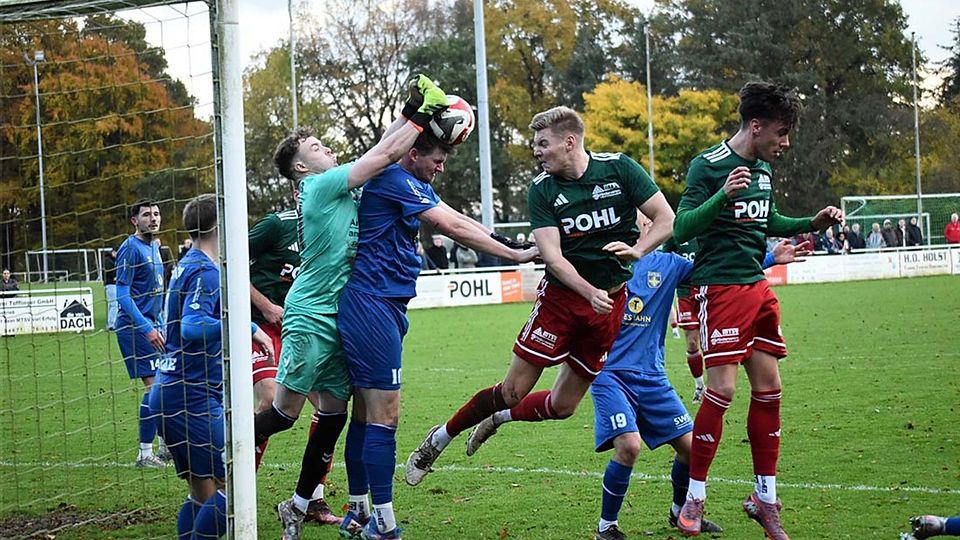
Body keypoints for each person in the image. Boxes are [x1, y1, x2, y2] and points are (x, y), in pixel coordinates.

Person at [404, 106, 675, 495]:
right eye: (535, 144)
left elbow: (665, 219)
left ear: (570, 142)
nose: (537, 151)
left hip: (609, 307)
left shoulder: (619, 169)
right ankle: (440, 438)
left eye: (542, 143)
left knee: (564, 408)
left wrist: (638, 249)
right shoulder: (543, 189)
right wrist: (588, 292)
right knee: (513, 390)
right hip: (562, 303)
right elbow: (553, 257)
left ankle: (499, 419)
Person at [257, 75, 451, 540]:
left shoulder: (336, 183)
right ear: (302, 169)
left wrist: (410, 109)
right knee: (284, 415)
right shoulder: (320, 187)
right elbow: (385, 154)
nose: (328, 149)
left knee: (337, 413)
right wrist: (423, 113)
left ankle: (300, 503)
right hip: (309, 311)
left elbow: (384, 147)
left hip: (340, 313)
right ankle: (219, 445)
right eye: (318, 146)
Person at [337, 127, 539, 540]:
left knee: (364, 413)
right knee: (385, 416)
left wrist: (504, 239)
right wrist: (515, 255)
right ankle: (383, 524)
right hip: (372, 303)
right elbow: (451, 226)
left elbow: (459, 217)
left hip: (383, 303)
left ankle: (358, 513)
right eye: (437, 160)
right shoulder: (396, 179)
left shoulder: (405, 180)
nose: (441, 167)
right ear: (413, 155)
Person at [670, 82, 842, 539]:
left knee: (770, 389)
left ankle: (765, 499)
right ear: (757, 126)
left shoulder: (763, 170)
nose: (784, 143)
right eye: (781, 133)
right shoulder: (707, 166)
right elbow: (680, 229)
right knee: (722, 390)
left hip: (757, 287)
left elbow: (767, 220)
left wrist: (811, 223)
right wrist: (721, 195)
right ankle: (695, 496)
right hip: (720, 288)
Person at [591, 216, 809, 540]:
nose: (639, 225)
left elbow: (713, 274)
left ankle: (680, 511)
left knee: (692, 449)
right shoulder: (606, 265)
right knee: (629, 446)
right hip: (610, 374)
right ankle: (606, 527)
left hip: (652, 377)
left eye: (643, 220)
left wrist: (770, 259)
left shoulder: (668, 264)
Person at [150, 194, 275, 540]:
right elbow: (193, 327)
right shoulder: (205, 271)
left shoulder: (188, 263)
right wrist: (246, 327)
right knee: (235, 487)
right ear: (222, 226)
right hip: (192, 398)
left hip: (170, 393)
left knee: (201, 491)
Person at [115, 199, 169, 468]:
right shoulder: (130, 248)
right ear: (135, 220)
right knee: (155, 387)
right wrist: (147, 328)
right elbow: (122, 294)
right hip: (134, 328)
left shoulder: (155, 248)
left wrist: (161, 324)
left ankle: (164, 446)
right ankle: (145, 453)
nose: (154, 218)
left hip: (154, 326)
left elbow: (157, 294)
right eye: (147, 214)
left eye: (157, 214)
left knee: (166, 385)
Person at [103, 249, 118, 330]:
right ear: (113, 252)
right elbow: (109, 273)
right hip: (110, 284)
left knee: (112, 304)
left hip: (112, 284)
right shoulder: (108, 261)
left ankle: (110, 323)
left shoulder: (113, 260)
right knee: (114, 304)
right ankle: (111, 324)